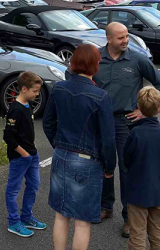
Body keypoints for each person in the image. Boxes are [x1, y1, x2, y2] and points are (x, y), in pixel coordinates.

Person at [94, 23, 160, 239]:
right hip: (101, 121)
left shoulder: (137, 59)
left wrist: (143, 111)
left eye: (126, 37)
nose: (125, 41)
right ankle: (106, 207)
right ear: (109, 39)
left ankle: (128, 217)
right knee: (104, 164)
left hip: (127, 122)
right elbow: (76, 76)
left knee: (127, 169)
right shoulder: (96, 58)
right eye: (120, 38)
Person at [43, 44, 117, 250]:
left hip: (61, 155)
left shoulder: (59, 88)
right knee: (83, 221)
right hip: (87, 161)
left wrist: (59, 145)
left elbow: (48, 124)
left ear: (73, 62)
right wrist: (109, 167)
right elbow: (108, 140)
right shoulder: (101, 96)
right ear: (95, 65)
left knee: (61, 214)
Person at [124, 87, 160, 250]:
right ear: (159, 109)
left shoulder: (135, 134)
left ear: (139, 107)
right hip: (159, 191)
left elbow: (127, 160)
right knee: (157, 232)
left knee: (137, 233)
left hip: (137, 190)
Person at [3, 71, 47, 238]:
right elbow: (8, 136)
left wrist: (32, 148)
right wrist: (25, 154)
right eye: (35, 91)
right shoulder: (15, 109)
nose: (37, 94)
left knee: (34, 185)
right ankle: (14, 222)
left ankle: (26, 217)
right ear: (23, 89)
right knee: (13, 189)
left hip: (31, 154)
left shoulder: (28, 105)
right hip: (20, 157)